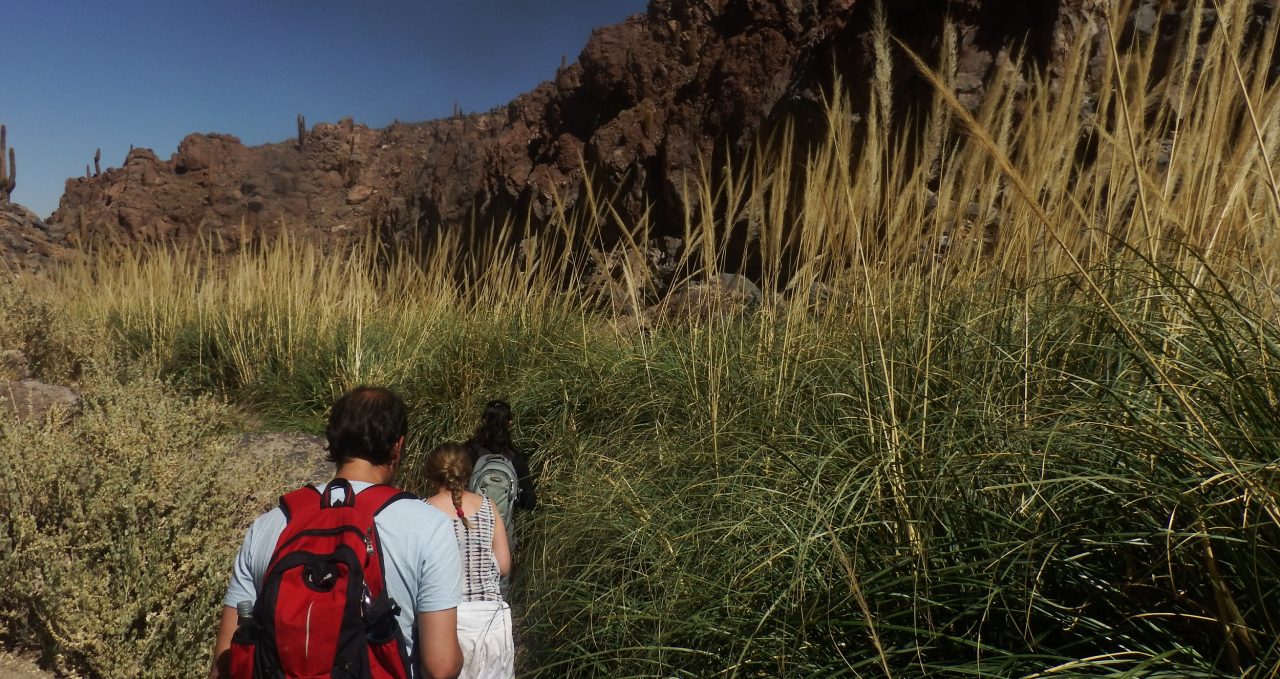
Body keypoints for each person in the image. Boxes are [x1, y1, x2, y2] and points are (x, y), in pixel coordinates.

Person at [210, 386, 464, 679]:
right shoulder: (428, 526)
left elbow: (226, 662)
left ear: (334, 441)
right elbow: (440, 666)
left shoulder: (269, 525)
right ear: (398, 446)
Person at [424, 442, 514, 679]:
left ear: (431, 474)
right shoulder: (488, 506)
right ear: (468, 472)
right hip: (492, 619)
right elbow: (504, 566)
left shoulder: (423, 510)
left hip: (447, 620)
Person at [464, 399, 536, 515]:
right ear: (509, 423)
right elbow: (530, 503)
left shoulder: (468, 451)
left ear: (483, 419)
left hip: (470, 523)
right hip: (502, 527)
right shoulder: (516, 459)